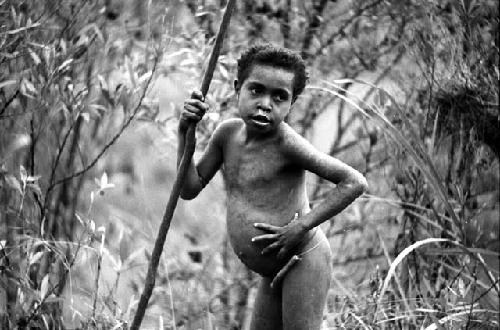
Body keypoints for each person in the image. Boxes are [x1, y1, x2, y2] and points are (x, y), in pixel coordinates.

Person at [177, 43, 367, 330]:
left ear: (292, 102)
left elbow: (354, 182)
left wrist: (301, 227)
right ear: (237, 87)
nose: (265, 103)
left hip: (303, 257)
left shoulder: (287, 144)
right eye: (256, 90)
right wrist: (185, 133)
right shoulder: (226, 135)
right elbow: (189, 188)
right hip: (272, 267)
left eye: (279, 96)